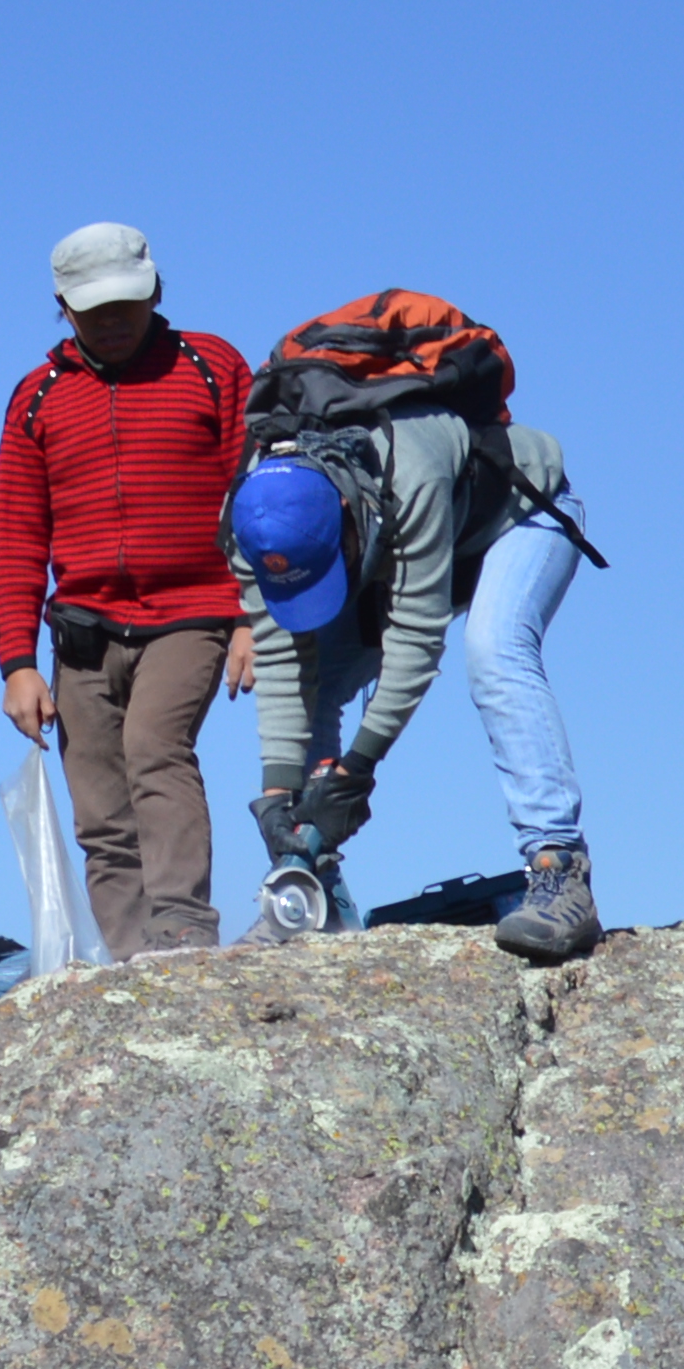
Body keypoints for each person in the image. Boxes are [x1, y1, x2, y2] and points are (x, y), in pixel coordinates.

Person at [229, 400, 608, 964]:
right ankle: (309, 890)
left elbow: (416, 643)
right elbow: (285, 660)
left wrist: (355, 772)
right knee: (321, 685)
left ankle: (559, 867)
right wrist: (279, 795)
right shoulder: (251, 526)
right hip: (384, 543)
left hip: (515, 514)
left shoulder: (411, 471)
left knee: (493, 647)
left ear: (341, 510)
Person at [0, 223, 253, 961]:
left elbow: (256, 495)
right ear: (63, 309)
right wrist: (18, 662)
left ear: (156, 291)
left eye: (127, 302)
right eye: (94, 306)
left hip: (192, 611)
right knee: (99, 800)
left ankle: (182, 926)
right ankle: (133, 953)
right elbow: (14, 534)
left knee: (155, 747)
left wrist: (251, 616)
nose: (113, 318)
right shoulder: (38, 397)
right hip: (83, 631)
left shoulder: (213, 365)